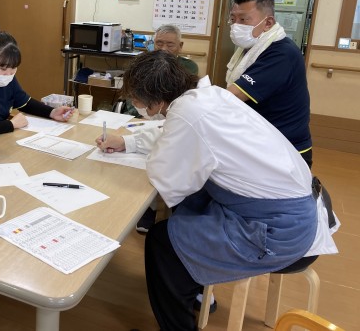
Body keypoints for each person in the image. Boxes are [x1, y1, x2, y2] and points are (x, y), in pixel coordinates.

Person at [96, 51, 338, 331]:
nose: (136, 104)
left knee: (163, 242)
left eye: (137, 99)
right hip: (302, 210)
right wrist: (128, 142)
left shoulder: (187, 113)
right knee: (191, 209)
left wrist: (152, 153)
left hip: (281, 233)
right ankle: (194, 288)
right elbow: (175, 133)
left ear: (156, 100)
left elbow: (168, 179)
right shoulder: (211, 96)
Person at [226, 0, 313, 167]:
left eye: (243, 20)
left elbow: (234, 95)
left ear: (268, 23)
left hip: (288, 150)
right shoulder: (251, 48)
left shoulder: (281, 53)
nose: (236, 26)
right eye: (233, 19)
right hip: (262, 141)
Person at [0, 23, 73, 139]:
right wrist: (11, 124)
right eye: (3, 68)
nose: (9, 74)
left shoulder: (6, 76)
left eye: (13, 68)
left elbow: (24, 102)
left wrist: (52, 112)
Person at [133, 24, 198, 234]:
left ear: (180, 46)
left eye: (169, 44)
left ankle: (159, 209)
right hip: (152, 121)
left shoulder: (187, 71)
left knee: (160, 161)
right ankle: (149, 208)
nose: (163, 48)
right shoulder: (145, 65)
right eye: (159, 43)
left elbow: (173, 128)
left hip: (168, 121)